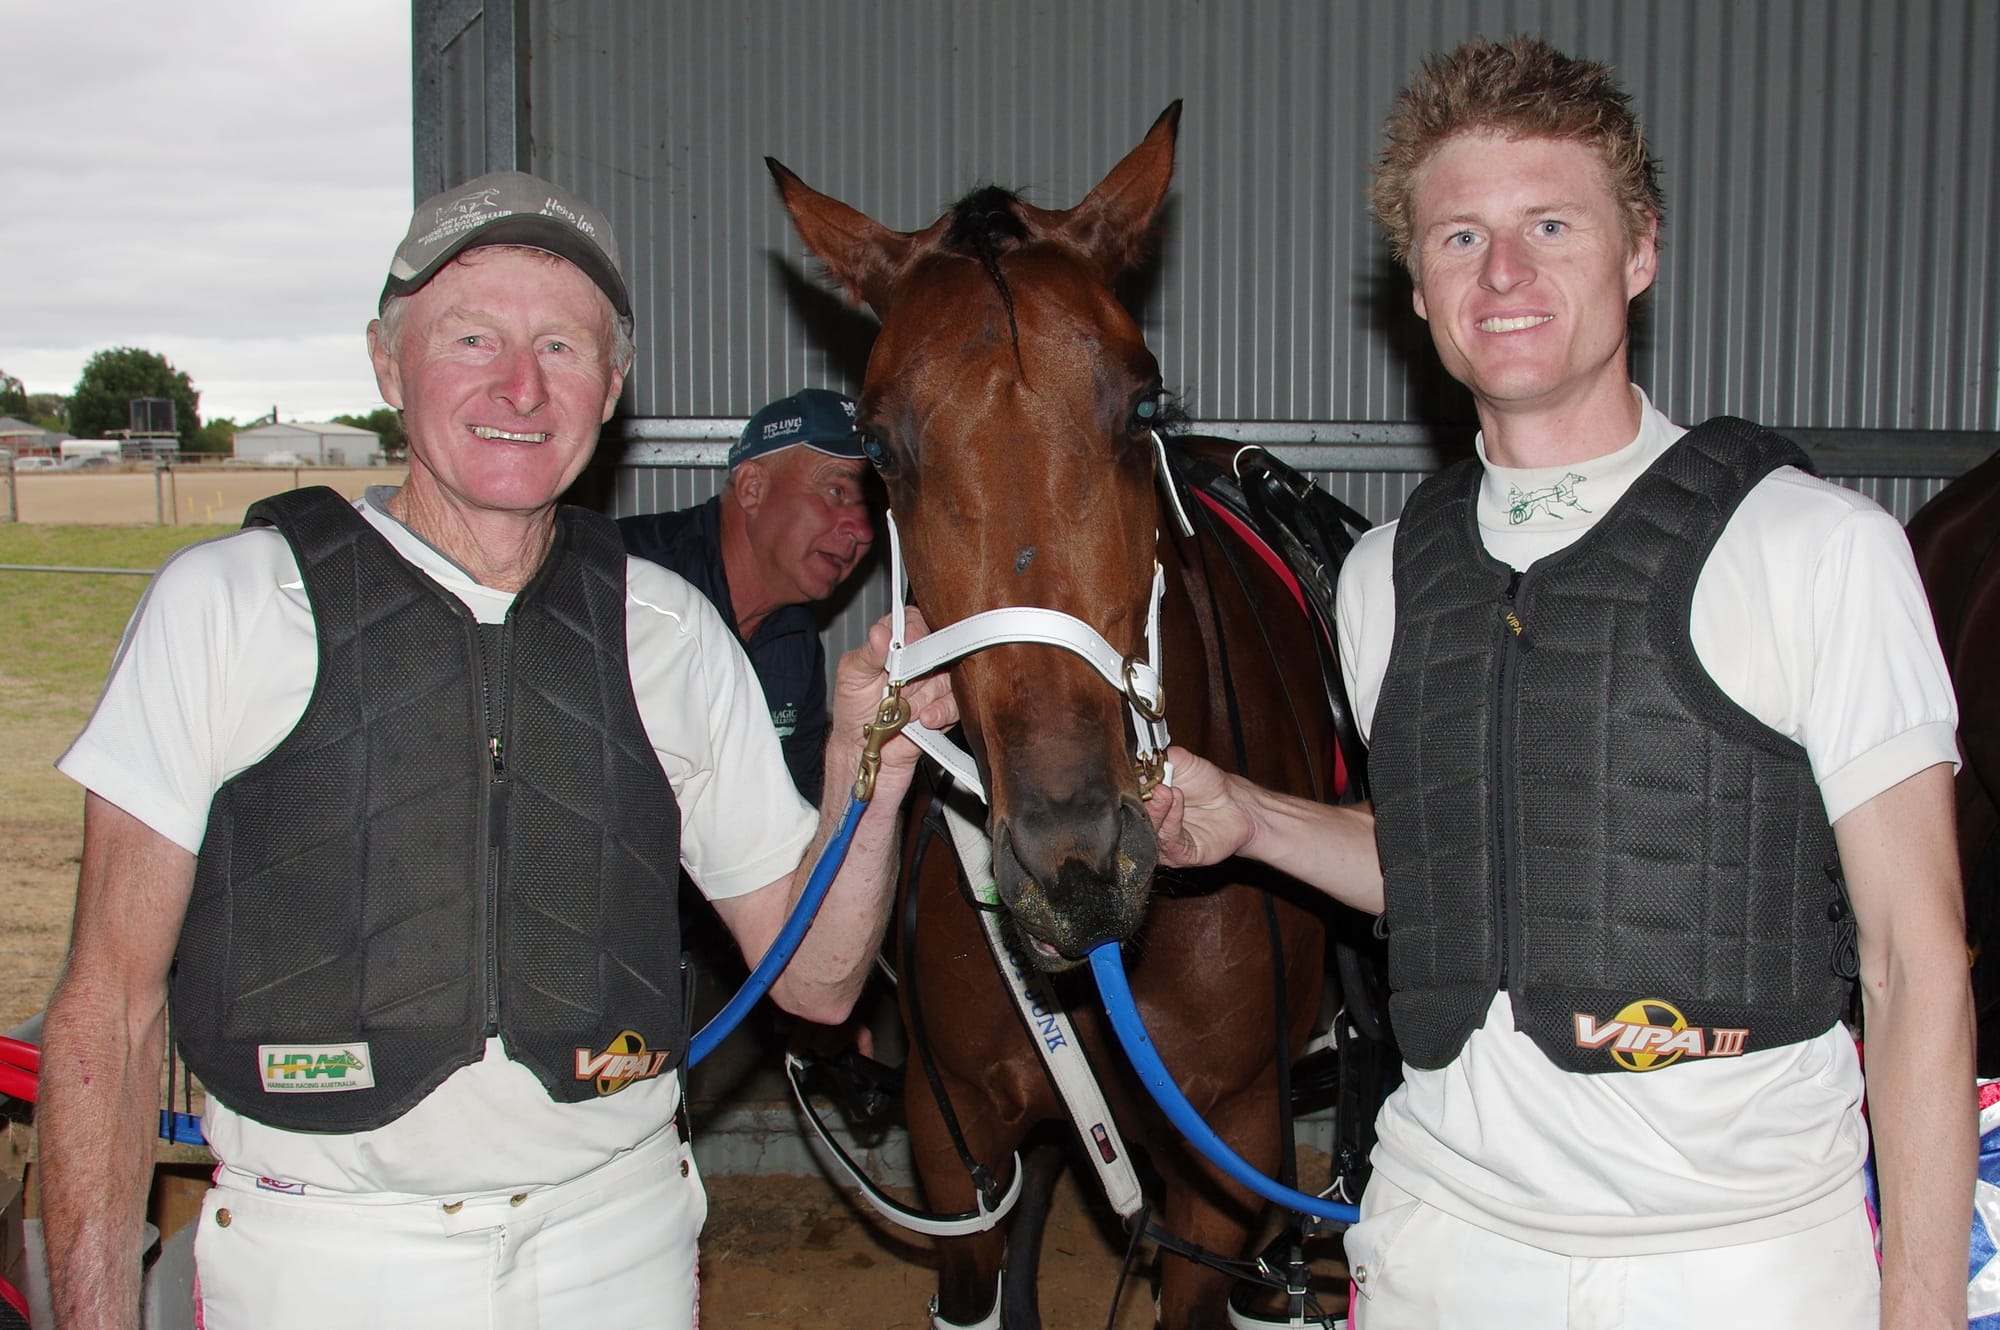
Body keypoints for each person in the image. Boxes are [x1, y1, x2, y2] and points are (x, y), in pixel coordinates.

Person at [1150, 36, 1973, 1329]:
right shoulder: (1378, 579)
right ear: (1417, 290)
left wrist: (1919, 1304)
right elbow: (1455, 870)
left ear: (1639, 250)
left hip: (1735, 1261)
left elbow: (1914, 958)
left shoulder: (1817, 548)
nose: (1504, 273)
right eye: (1459, 238)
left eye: (1549, 224)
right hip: (1442, 1247)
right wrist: (1250, 817)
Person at [36, 168, 951, 1330]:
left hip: (617, 1249)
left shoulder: (670, 633)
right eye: (472, 336)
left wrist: (870, 769)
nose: (521, 384)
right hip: (318, 1256)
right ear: (387, 363)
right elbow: (105, 1011)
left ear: (610, 388)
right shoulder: (228, 605)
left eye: (562, 347)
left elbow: (816, 980)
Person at [618, 387, 874, 803]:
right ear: (752, 488)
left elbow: (794, 811)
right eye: (837, 492)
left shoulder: (797, 644)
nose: (861, 531)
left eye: (871, 509)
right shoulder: (620, 579)